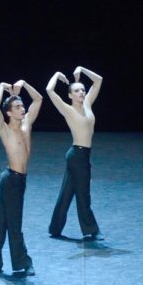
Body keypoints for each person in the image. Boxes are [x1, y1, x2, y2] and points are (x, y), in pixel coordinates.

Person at [0, 80, 43, 277]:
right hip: (12, 181)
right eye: (17, 107)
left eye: (22, 106)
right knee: (14, 224)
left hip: (20, 181)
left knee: (2, 221)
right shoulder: (5, 130)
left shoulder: (26, 124)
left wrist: (25, 84)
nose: (22, 108)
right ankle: (22, 263)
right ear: (8, 112)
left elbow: (38, 99)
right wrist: (1, 87)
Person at [46, 67, 104, 240]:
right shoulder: (67, 109)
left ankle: (55, 228)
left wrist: (81, 69)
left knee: (67, 193)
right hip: (77, 155)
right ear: (70, 95)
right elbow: (49, 90)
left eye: (83, 90)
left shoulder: (87, 104)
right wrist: (57, 74)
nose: (81, 92)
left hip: (82, 155)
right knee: (83, 193)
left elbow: (98, 80)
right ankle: (91, 229)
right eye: (77, 90)